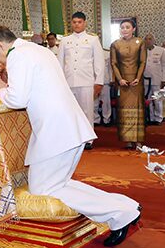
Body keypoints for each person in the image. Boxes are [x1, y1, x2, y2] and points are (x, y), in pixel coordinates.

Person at [0, 26, 141, 247]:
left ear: (0, 45)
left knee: (45, 189)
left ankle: (120, 213)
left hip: (56, 131)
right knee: (59, 184)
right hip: (66, 128)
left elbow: (18, 99)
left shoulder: (18, 55)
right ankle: (125, 206)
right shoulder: (38, 50)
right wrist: (5, 82)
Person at [57, 12, 104, 148]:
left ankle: (88, 139)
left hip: (86, 81)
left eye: (79, 22)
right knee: (70, 111)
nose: (76, 24)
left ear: (84, 23)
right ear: (71, 23)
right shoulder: (65, 41)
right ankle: (73, 139)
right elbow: (60, 63)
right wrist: (59, 82)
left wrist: (99, 82)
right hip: (68, 82)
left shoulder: (92, 40)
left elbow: (99, 62)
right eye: (74, 22)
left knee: (87, 111)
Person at [110, 19, 147, 149]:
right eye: (122, 27)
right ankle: (128, 140)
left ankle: (138, 140)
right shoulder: (115, 44)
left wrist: (138, 78)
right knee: (124, 110)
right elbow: (113, 63)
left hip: (136, 82)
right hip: (122, 82)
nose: (124, 30)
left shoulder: (140, 42)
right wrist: (119, 79)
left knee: (137, 109)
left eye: (127, 27)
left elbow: (143, 62)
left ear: (133, 29)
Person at [143, 34, 165, 125]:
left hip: (157, 79)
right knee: (148, 100)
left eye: (150, 39)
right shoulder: (142, 51)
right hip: (145, 79)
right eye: (146, 39)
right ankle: (151, 118)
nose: (148, 41)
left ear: (154, 40)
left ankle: (158, 118)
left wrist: (164, 79)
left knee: (157, 100)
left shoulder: (161, 50)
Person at [94, 49, 113, 126]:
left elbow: (110, 68)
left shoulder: (106, 53)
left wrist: (111, 79)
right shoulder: (89, 53)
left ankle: (106, 119)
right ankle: (95, 120)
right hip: (93, 81)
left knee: (106, 102)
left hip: (105, 81)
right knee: (94, 103)